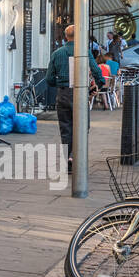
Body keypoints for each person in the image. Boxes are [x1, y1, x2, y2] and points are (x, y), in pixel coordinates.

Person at [44, 24, 105, 172]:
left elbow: (49, 79)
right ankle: (74, 156)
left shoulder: (57, 53)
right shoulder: (84, 51)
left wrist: (60, 83)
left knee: (66, 127)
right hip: (80, 93)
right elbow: (96, 70)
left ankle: (69, 159)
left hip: (63, 93)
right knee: (83, 126)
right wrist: (100, 84)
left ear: (66, 37)